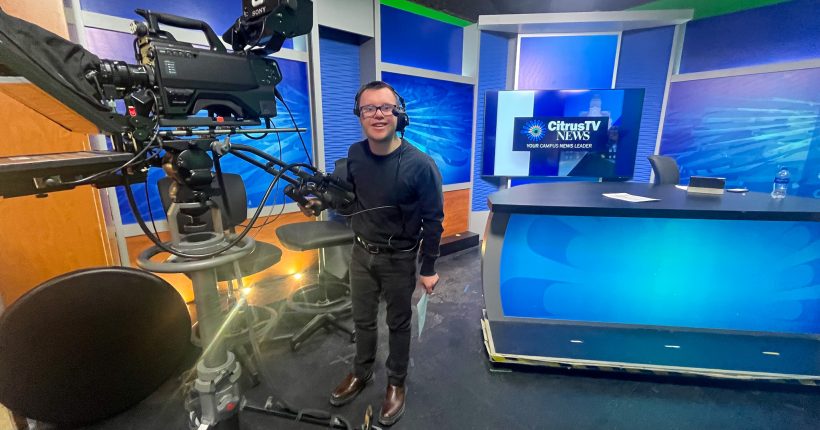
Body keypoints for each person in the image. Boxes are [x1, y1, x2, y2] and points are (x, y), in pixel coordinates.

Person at [298, 81, 444, 426]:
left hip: (400, 259)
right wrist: (318, 202)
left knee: (398, 323)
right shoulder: (354, 155)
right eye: (369, 109)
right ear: (359, 115)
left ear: (399, 114)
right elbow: (344, 198)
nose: (377, 115)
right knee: (362, 320)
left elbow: (434, 220)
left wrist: (429, 267)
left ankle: (396, 383)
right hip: (361, 254)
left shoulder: (421, 165)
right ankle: (361, 372)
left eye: (385, 107)